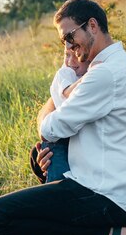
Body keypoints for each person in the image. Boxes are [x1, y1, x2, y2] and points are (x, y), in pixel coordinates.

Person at [0, 0, 126, 235]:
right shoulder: (104, 68)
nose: (68, 47)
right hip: (114, 190)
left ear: (93, 25)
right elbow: (54, 117)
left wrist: (63, 80)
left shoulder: (105, 74)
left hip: (109, 196)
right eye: (64, 41)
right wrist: (62, 94)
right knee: (41, 155)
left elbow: (50, 127)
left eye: (69, 37)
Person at [38, 48, 89, 182]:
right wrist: (89, 77)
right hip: (59, 139)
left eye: (77, 55)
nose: (71, 61)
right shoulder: (66, 72)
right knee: (58, 177)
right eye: (67, 55)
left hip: (69, 134)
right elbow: (67, 92)